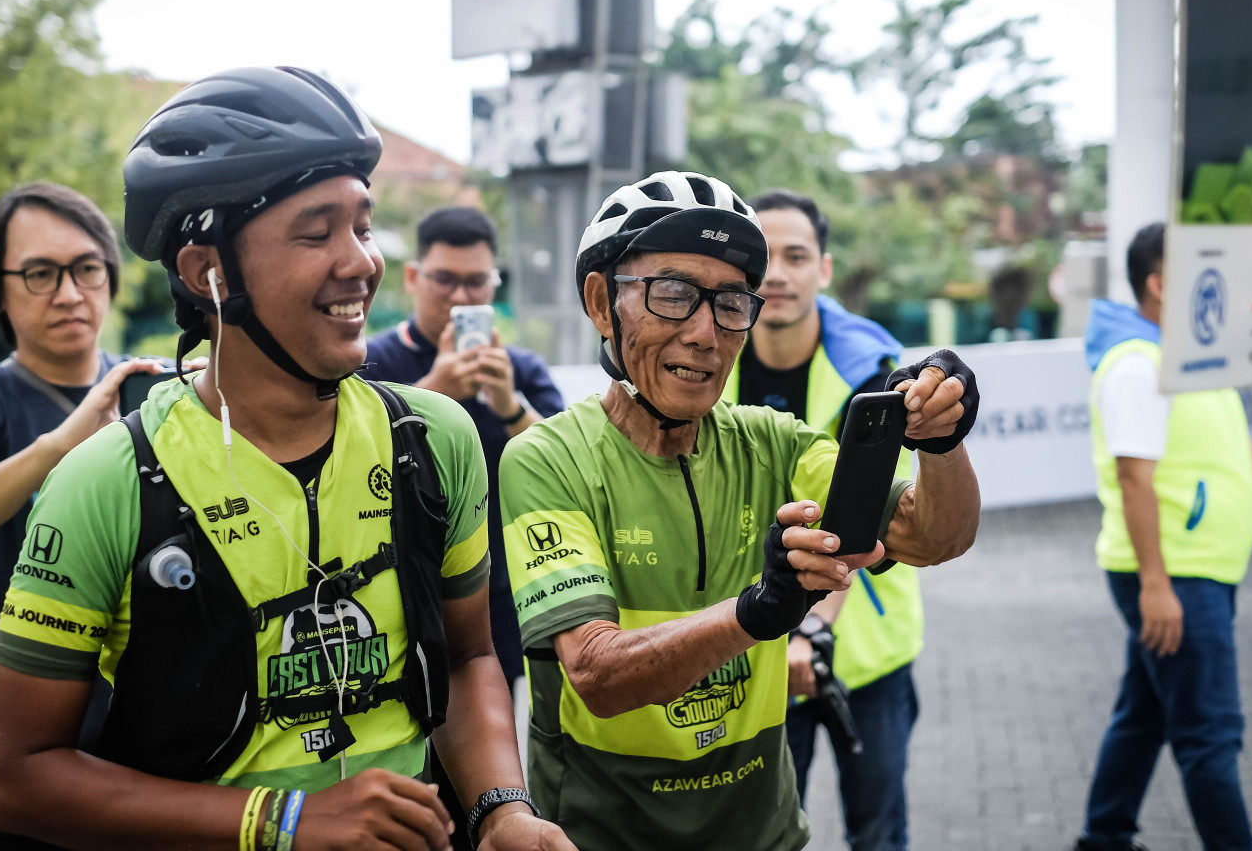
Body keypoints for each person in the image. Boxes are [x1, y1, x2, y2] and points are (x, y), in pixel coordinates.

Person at [0, 67, 574, 851]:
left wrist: (501, 810)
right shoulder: (106, 480)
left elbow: (466, 659)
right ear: (208, 272)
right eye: (317, 232)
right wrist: (283, 820)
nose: (361, 262)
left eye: (363, 227)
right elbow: (12, 777)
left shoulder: (434, 437)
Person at [500, 171, 982, 850]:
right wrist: (758, 611)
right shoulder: (548, 459)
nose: (706, 333)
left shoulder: (775, 443)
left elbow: (932, 537)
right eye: (673, 294)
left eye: (730, 303)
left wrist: (943, 443)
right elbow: (597, 676)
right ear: (602, 303)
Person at [0, 182, 163, 850]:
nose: (69, 293)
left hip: (166, 737)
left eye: (86, 268)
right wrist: (62, 444)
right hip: (32, 743)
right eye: (39, 274)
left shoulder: (154, 390)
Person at [1075, 223, 1252, 851]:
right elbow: (1135, 479)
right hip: (1177, 578)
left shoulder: (1187, 360)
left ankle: (1104, 836)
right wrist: (1156, 586)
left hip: (1193, 573)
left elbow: (1239, 451)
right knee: (1210, 735)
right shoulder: (1139, 367)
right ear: (1161, 284)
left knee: (1144, 715)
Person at [720, 190, 923, 851]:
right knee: (766, 837)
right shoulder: (702, 359)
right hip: (748, 647)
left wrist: (811, 629)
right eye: (765, 258)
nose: (778, 274)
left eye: (797, 256)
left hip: (865, 652)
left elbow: (876, 524)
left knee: (879, 833)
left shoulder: (879, 375)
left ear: (825, 269)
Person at [361, 205, 564, 686]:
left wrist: (509, 405)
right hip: (395, 583)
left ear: (494, 285)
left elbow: (563, 467)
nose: (459, 296)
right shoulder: (371, 363)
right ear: (413, 278)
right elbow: (350, 456)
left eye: (475, 282)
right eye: (444, 280)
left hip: (500, 588)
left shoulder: (519, 370)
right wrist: (433, 393)